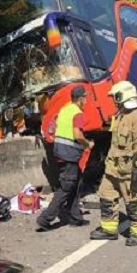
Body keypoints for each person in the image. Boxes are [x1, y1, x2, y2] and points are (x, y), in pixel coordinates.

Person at [90, 81, 137, 247]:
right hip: (112, 168)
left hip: (128, 169)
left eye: (116, 97)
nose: (114, 100)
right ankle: (109, 229)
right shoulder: (120, 115)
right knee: (106, 195)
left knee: (132, 200)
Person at [36, 86, 93, 231]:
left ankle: (75, 217)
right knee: (67, 187)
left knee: (75, 183)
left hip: (60, 151)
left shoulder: (65, 109)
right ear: (80, 99)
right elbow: (77, 135)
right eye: (85, 97)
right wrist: (88, 143)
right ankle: (45, 218)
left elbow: (55, 128)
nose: (86, 100)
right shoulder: (77, 113)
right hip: (69, 154)